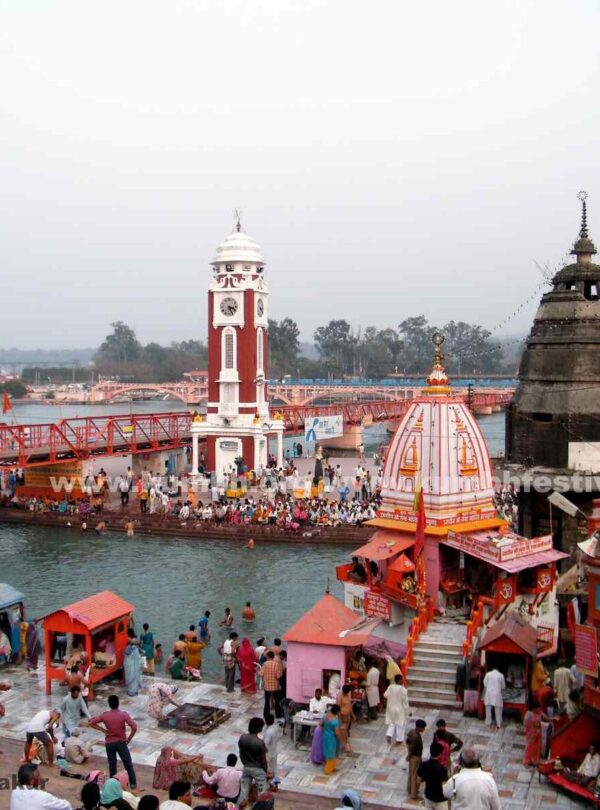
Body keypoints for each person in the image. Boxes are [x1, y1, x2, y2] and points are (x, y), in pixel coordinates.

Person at [88, 695, 138, 791]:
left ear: (109, 704)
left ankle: (112, 785)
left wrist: (103, 730)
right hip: (121, 742)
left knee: (112, 765)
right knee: (128, 764)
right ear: (118, 703)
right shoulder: (123, 714)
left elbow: (91, 723)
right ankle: (133, 785)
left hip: (109, 743)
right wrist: (128, 739)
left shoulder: (105, 715)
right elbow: (134, 727)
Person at [238, 717, 268, 805]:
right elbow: (263, 760)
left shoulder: (242, 738)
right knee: (262, 794)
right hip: (258, 770)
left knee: (243, 792)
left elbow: (241, 754)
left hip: (246, 767)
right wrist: (265, 771)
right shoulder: (260, 743)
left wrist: (245, 763)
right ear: (259, 728)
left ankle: (238, 807)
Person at [417, 741, 449, 810]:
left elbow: (418, 781)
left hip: (428, 795)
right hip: (440, 799)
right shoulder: (442, 769)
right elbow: (445, 786)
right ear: (440, 754)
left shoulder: (423, 765)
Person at [384, 673, 409, 745]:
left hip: (391, 709)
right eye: (402, 679)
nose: (403, 680)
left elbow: (385, 695)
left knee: (392, 723)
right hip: (399, 710)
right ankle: (399, 740)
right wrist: (408, 711)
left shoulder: (390, 687)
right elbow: (405, 702)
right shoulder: (403, 690)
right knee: (400, 724)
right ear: (400, 680)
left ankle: (389, 734)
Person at [261, 651, 282, 720]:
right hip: (275, 686)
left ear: (268, 656)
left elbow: (261, 674)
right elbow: (278, 676)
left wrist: (257, 671)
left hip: (267, 686)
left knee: (267, 701)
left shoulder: (264, 664)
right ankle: (278, 714)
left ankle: (266, 714)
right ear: (273, 657)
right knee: (277, 701)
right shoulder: (276, 664)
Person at [322, 704, 343, 775]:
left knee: (328, 752)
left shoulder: (325, 716)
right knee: (332, 754)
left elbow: (320, 724)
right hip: (332, 739)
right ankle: (327, 770)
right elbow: (337, 733)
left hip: (325, 737)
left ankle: (331, 767)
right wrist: (342, 740)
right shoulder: (335, 721)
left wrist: (325, 731)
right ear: (337, 712)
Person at [336, 684, 353, 752]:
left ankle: (344, 745)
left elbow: (349, 705)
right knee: (343, 732)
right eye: (345, 693)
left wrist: (352, 714)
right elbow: (338, 710)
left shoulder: (348, 694)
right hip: (342, 717)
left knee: (346, 731)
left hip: (348, 716)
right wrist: (340, 721)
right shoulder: (339, 697)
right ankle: (346, 746)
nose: (346, 694)